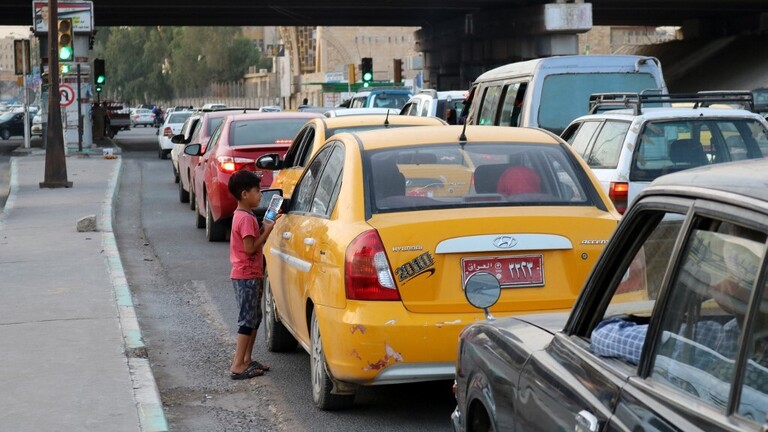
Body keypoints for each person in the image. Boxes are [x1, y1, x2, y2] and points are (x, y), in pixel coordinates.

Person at [227, 171, 277, 380]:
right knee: (247, 321)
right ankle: (238, 364)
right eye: (257, 191)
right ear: (245, 194)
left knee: (255, 318)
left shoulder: (245, 216)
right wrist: (267, 231)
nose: (260, 195)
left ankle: (247, 359)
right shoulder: (245, 219)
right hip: (245, 276)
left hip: (251, 275)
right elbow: (250, 248)